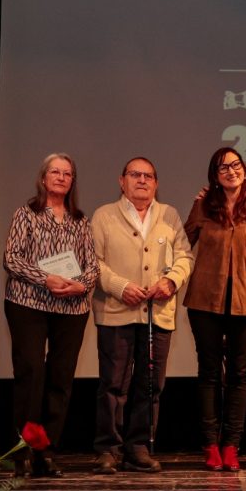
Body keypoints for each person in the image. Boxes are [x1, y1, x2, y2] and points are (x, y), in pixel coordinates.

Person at [91, 157, 193, 474]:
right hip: (116, 312)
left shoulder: (169, 215)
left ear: (156, 183)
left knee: (150, 386)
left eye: (148, 176)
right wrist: (120, 286)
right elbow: (92, 262)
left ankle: (138, 447)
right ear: (122, 181)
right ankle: (108, 449)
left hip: (157, 315)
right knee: (113, 385)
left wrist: (171, 281)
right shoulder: (104, 215)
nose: (142, 180)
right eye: (135, 175)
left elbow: (185, 256)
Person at [4, 153, 99, 478]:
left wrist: (78, 285)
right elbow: (12, 259)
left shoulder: (80, 220)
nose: (61, 177)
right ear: (43, 178)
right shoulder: (25, 214)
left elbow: (93, 266)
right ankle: (22, 451)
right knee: (31, 374)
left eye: (67, 173)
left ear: (72, 181)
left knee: (61, 380)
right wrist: (46, 279)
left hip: (71, 308)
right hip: (28, 303)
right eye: (55, 172)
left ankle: (46, 451)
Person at [184, 147, 246, 472]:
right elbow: (182, 242)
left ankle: (231, 445)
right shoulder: (204, 205)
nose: (230, 171)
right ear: (215, 176)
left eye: (235, 165)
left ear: (244, 170)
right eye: (223, 168)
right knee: (208, 373)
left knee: (239, 375)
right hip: (204, 300)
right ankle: (209, 445)